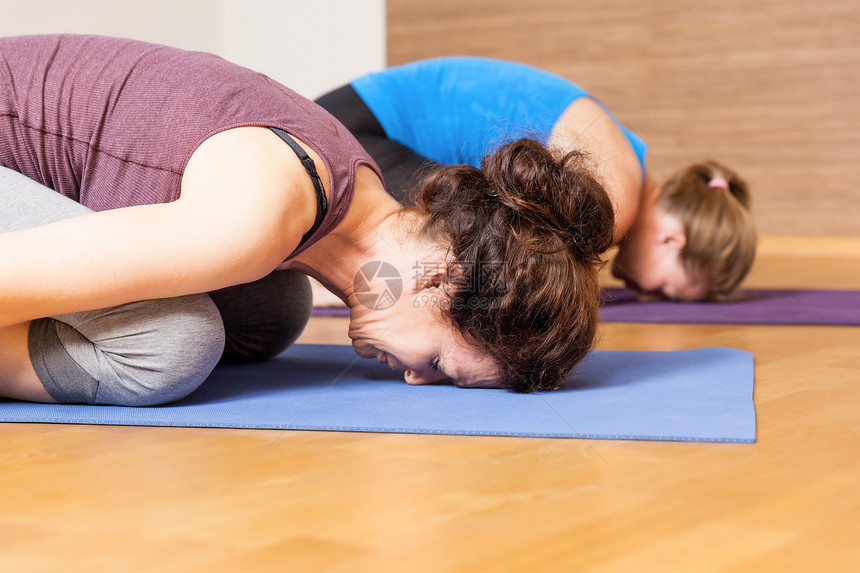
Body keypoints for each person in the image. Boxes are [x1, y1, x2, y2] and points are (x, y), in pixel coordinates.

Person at [0, 35, 615, 405]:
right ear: (438, 280)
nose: (410, 378)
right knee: (172, 347)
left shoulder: (346, 188)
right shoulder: (254, 216)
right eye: (435, 365)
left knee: (270, 312)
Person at [316, 56, 757, 302]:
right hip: (353, 131)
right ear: (671, 239)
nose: (646, 298)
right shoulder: (615, 202)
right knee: (477, 260)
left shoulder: (628, 165)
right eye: (662, 289)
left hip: (356, 120)